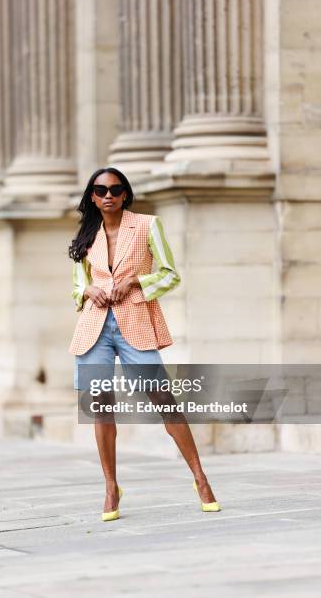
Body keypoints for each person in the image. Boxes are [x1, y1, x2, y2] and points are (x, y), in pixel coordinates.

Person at [68, 166, 221, 520]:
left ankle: (200, 477)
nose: (108, 195)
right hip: (95, 327)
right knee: (101, 409)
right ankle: (110, 487)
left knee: (165, 400)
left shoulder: (148, 225)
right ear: (92, 196)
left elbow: (170, 274)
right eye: (101, 190)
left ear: (125, 194)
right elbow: (78, 285)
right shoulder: (86, 235)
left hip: (134, 323)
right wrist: (87, 290)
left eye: (116, 189)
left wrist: (136, 281)